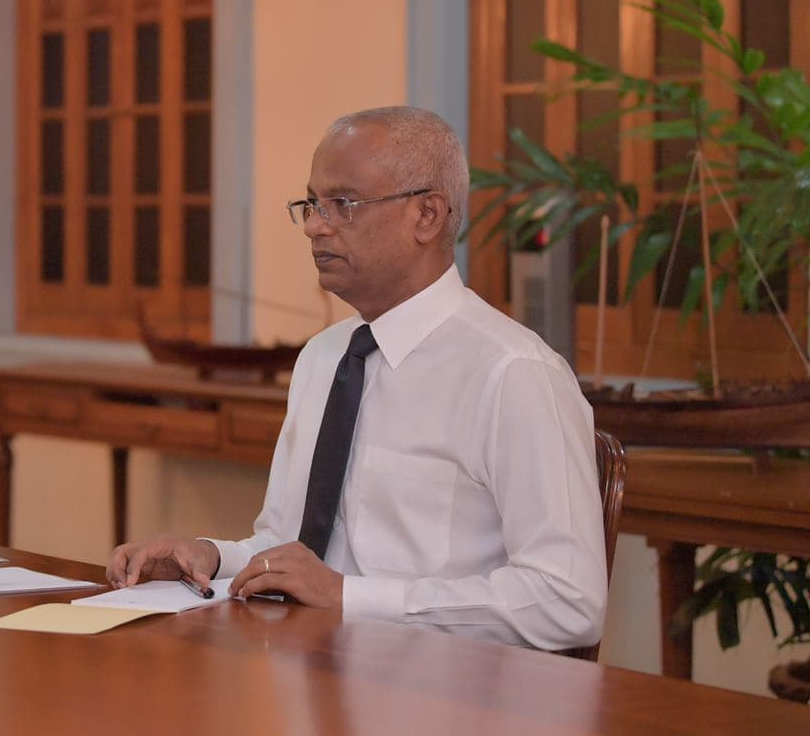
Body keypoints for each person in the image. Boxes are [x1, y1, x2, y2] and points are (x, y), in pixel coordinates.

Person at [106, 106, 606, 650]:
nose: (316, 225)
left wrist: (351, 597)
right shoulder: (323, 359)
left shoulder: (514, 374)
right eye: (311, 205)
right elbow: (291, 547)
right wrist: (212, 557)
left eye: (343, 204)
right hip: (309, 677)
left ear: (427, 216)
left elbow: (567, 600)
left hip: (445, 697)